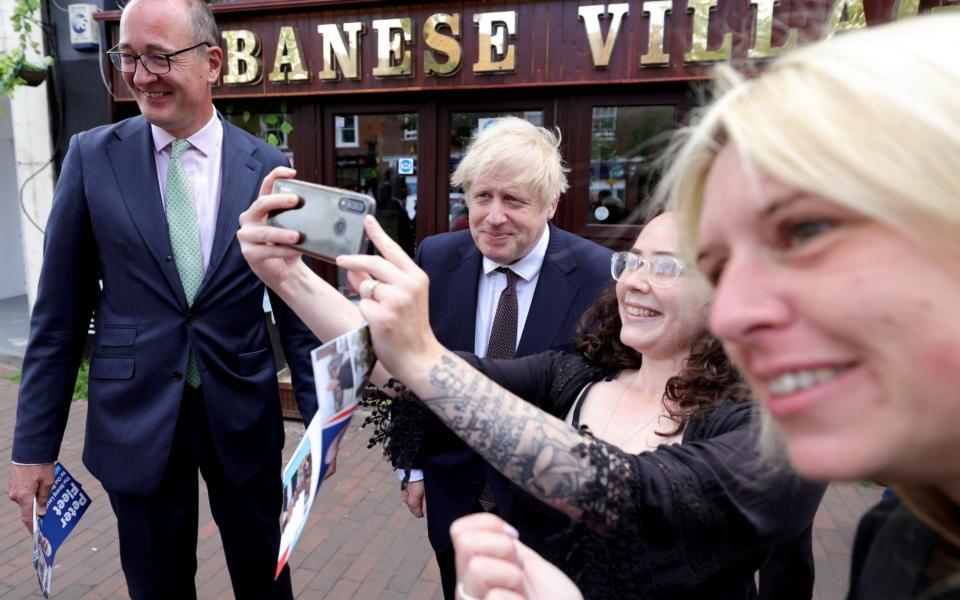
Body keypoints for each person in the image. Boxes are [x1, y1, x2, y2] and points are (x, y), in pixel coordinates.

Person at [456, 12, 960, 600]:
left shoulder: (756, 436)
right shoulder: (903, 540)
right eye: (721, 268)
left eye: (807, 233)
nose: (731, 313)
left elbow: (647, 499)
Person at [238, 195, 823, 596]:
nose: (634, 281)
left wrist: (423, 356)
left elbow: (630, 496)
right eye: (632, 261)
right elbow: (399, 371)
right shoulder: (578, 377)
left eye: (666, 266)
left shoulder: (774, 434)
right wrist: (286, 276)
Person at [6, 0, 319, 598]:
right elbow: (58, 318)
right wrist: (32, 452)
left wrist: (319, 425)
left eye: (160, 56)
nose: (141, 75)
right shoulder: (91, 157)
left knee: (266, 579)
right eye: (127, 56)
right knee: (156, 585)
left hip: (243, 413)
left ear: (213, 63)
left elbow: (295, 303)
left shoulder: (269, 166)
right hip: (135, 415)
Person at [401, 116, 611, 597]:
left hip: (549, 509)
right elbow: (411, 361)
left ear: (551, 203)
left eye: (513, 200)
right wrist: (412, 465)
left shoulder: (598, 277)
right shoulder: (435, 257)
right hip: (453, 493)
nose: (493, 216)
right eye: (481, 197)